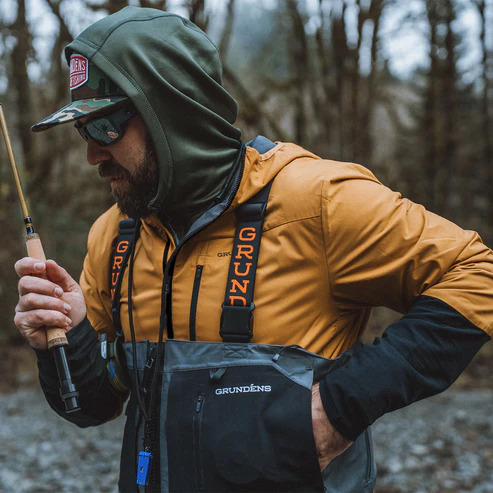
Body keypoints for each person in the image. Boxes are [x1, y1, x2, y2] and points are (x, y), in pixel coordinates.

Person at [13, 6, 493, 493]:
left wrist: (340, 406)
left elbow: (478, 274)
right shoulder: (114, 235)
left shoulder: (317, 201)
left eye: (104, 127)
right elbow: (94, 405)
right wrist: (66, 338)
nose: (92, 154)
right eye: (82, 130)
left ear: (171, 111)